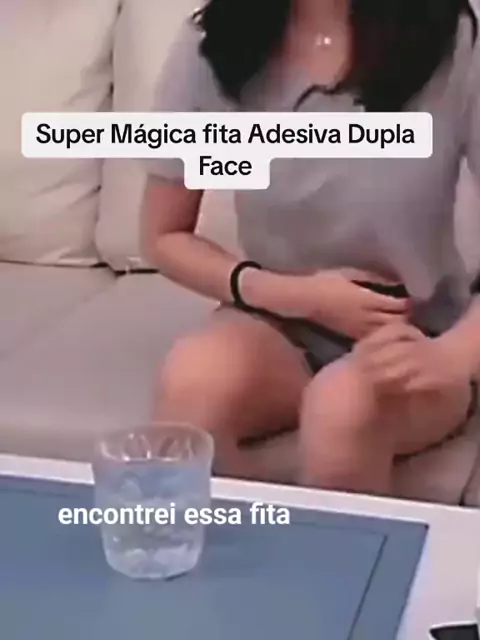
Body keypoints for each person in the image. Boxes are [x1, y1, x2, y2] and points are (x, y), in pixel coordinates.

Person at [141, 0, 480, 495]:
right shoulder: (214, 44)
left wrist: (451, 355)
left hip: (413, 332)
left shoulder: (455, 38)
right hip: (276, 318)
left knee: (342, 407)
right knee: (191, 385)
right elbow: (163, 235)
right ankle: (246, 538)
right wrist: (302, 298)